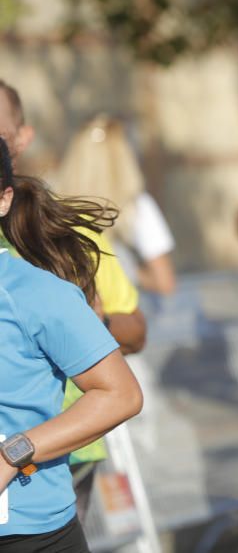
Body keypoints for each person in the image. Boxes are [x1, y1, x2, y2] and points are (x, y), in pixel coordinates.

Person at [0, 80, 146, 517]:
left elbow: (135, 329)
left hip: (61, 443)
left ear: (22, 138)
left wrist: (88, 326)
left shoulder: (63, 234)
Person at [57, 115, 177, 295]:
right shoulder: (137, 207)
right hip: (125, 316)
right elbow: (165, 283)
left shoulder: (54, 206)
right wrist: (129, 272)